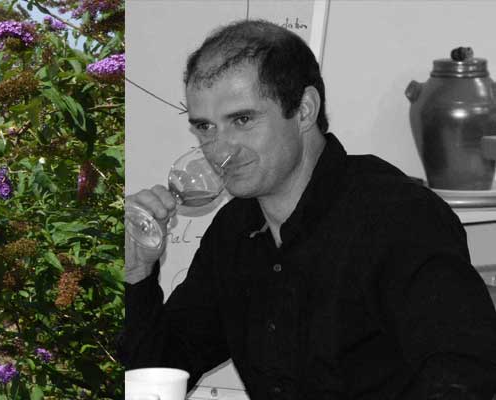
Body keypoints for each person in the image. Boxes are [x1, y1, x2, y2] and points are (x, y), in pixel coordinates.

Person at [121, 20, 496, 400]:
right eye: (204, 127)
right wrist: (138, 271)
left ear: (304, 110)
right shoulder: (234, 230)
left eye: (242, 120)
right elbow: (160, 372)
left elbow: (466, 375)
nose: (219, 149)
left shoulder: (401, 217)